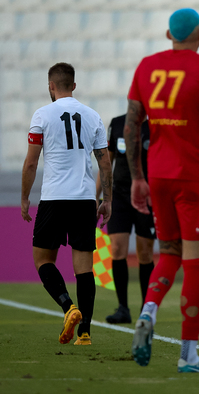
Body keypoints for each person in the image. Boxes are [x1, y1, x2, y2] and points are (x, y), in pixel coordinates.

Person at [125, 9, 199, 373]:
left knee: (169, 252)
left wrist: (136, 177)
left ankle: (148, 311)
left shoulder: (146, 67)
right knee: (195, 263)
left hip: (158, 174)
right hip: (194, 177)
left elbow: (132, 125)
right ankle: (189, 354)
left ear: (168, 34)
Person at [21, 62, 112, 346]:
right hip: (85, 198)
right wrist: (106, 199)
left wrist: (24, 197)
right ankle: (84, 332)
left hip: (54, 198)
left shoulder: (42, 115)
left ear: (51, 86)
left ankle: (67, 306)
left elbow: (32, 162)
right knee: (84, 267)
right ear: (74, 85)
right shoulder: (92, 115)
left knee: (43, 260)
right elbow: (105, 163)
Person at [96, 115, 155, 324]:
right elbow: (107, 161)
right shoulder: (118, 123)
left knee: (145, 253)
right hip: (119, 197)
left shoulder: (156, 126)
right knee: (118, 250)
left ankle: (146, 309)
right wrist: (98, 195)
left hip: (147, 197)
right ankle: (123, 308)